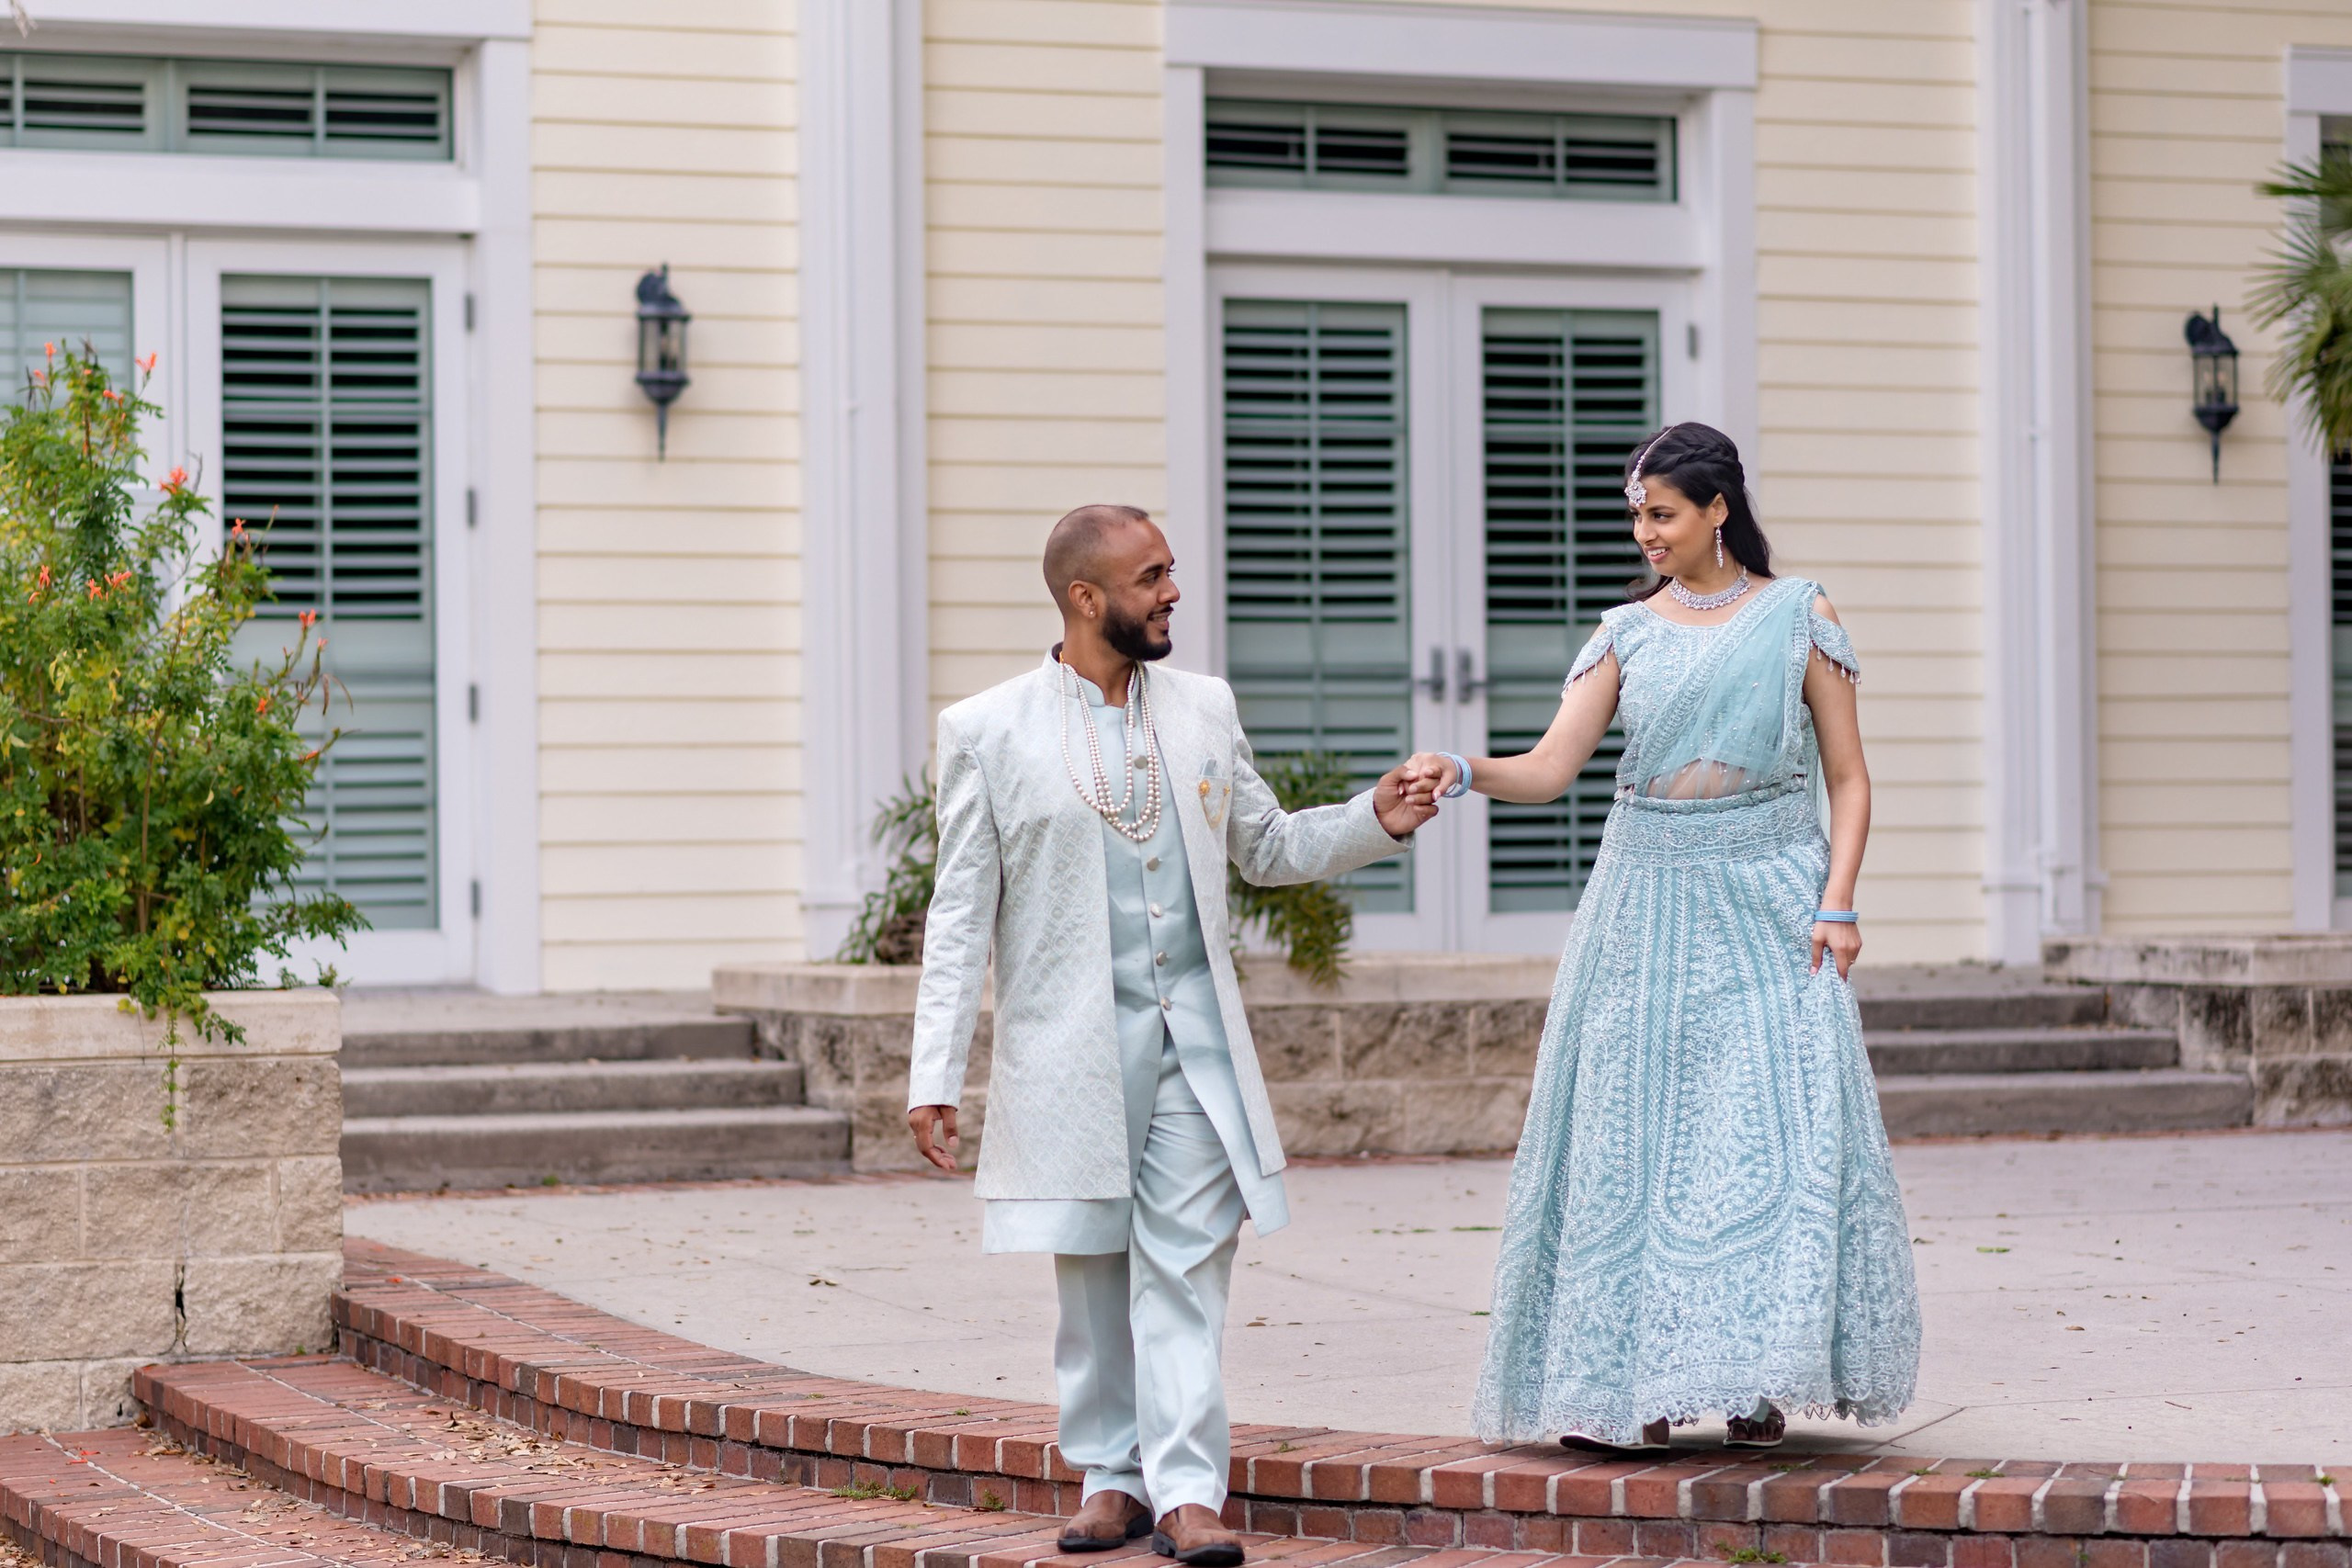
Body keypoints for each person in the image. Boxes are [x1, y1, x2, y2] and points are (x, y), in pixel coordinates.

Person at [906, 504, 1437, 1565]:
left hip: (1195, 1050)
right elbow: (960, 912)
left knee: (1186, 1271)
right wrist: (935, 1075)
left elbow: (1268, 847)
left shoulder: (1202, 709)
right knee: (1096, 1275)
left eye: (1171, 572)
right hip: (1068, 1057)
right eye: (1152, 577)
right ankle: (1111, 1479)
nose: (1173, 594)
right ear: (1085, 598)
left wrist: (1371, 816)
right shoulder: (988, 729)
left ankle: (1189, 1493)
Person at [1407, 423, 1921, 1451]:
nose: (1645, 533)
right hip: (1644, 891)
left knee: (1756, 1135)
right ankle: (1624, 1385)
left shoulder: (1797, 614)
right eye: (1637, 516)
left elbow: (1850, 777)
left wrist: (1839, 900)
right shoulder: (1625, 631)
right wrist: (1464, 770)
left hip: (1772, 888)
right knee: (1635, 1135)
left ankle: (1753, 1380)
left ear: (1717, 510)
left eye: (1663, 514)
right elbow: (1552, 765)